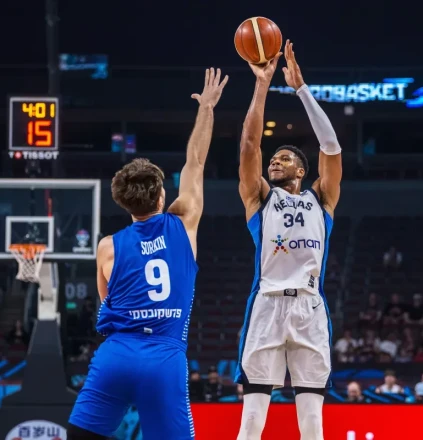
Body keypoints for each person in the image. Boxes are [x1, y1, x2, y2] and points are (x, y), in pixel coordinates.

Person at [67, 68, 228, 440]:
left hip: (117, 355)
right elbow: (195, 161)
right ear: (162, 196)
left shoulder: (107, 247)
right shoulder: (184, 222)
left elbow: (108, 301)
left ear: (123, 203)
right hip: (164, 358)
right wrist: (206, 108)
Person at [236, 40, 342, 440]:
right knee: (251, 422)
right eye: (273, 159)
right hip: (267, 305)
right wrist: (262, 85)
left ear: (301, 170)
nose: (274, 161)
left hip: (309, 308)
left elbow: (331, 146)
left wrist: (301, 90)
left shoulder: (322, 197)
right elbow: (249, 146)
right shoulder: (260, 199)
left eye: (284, 158)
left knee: (312, 425)